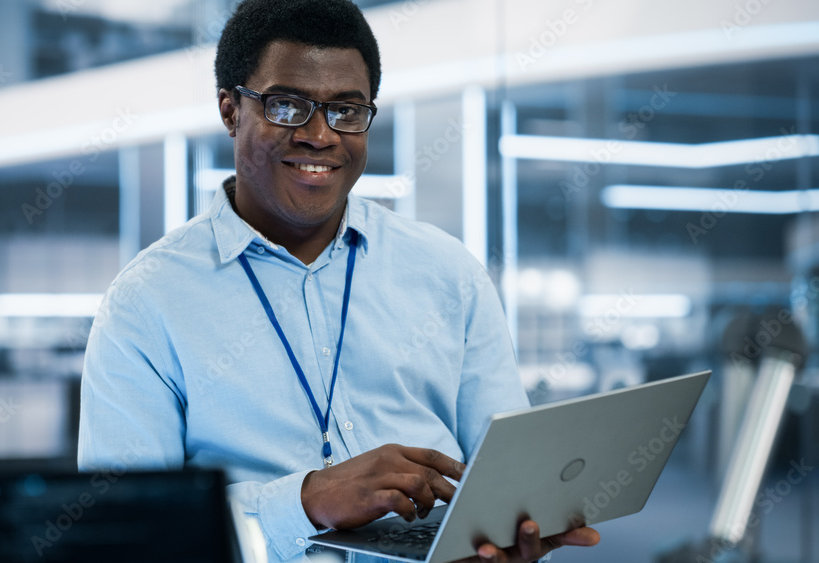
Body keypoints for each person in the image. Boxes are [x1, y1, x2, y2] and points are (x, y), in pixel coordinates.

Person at [78, 1, 600, 561]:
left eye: (347, 110)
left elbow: (505, 474)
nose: (321, 135)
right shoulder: (146, 303)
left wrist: (511, 533)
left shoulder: (450, 275)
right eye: (287, 106)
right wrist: (306, 501)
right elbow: (124, 529)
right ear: (230, 110)